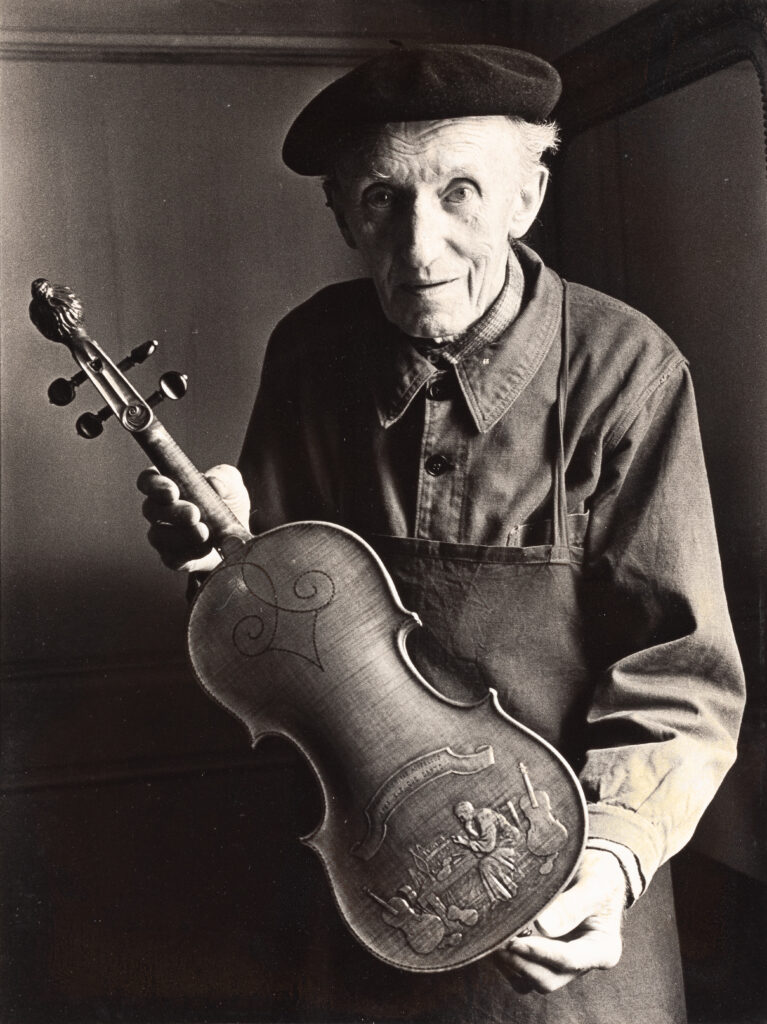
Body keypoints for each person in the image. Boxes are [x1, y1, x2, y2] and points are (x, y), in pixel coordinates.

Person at [138, 45, 745, 1023]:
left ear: (525, 197)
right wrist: (219, 559)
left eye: (460, 192)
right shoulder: (309, 353)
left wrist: (604, 864)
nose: (419, 249)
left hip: (567, 910)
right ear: (342, 215)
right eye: (381, 200)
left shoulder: (627, 370)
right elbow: (281, 650)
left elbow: (681, 676)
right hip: (363, 901)